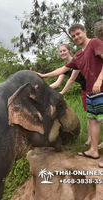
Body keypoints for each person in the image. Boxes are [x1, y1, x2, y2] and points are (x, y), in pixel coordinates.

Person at [36, 24, 103, 168]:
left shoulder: (95, 43)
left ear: (84, 31)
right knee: (92, 121)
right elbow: (62, 69)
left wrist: (99, 79)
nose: (76, 37)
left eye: (78, 34)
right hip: (90, 92)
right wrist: (43, 75)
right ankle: (93, 150)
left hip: (101, 89)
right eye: (73, 36)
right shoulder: (79, 55)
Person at [49, 44, 90, 145]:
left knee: (100, 115)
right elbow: (57, 83)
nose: (62, 53)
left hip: (96, 87)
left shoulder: (77, 61)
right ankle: (90, 139)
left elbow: (71, 80)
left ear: (69, 51)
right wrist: (44, 88)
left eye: (64, 50)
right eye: (60, 51)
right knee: (90, 116)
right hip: (85, 90)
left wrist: (62, 92)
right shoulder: (66, 68)